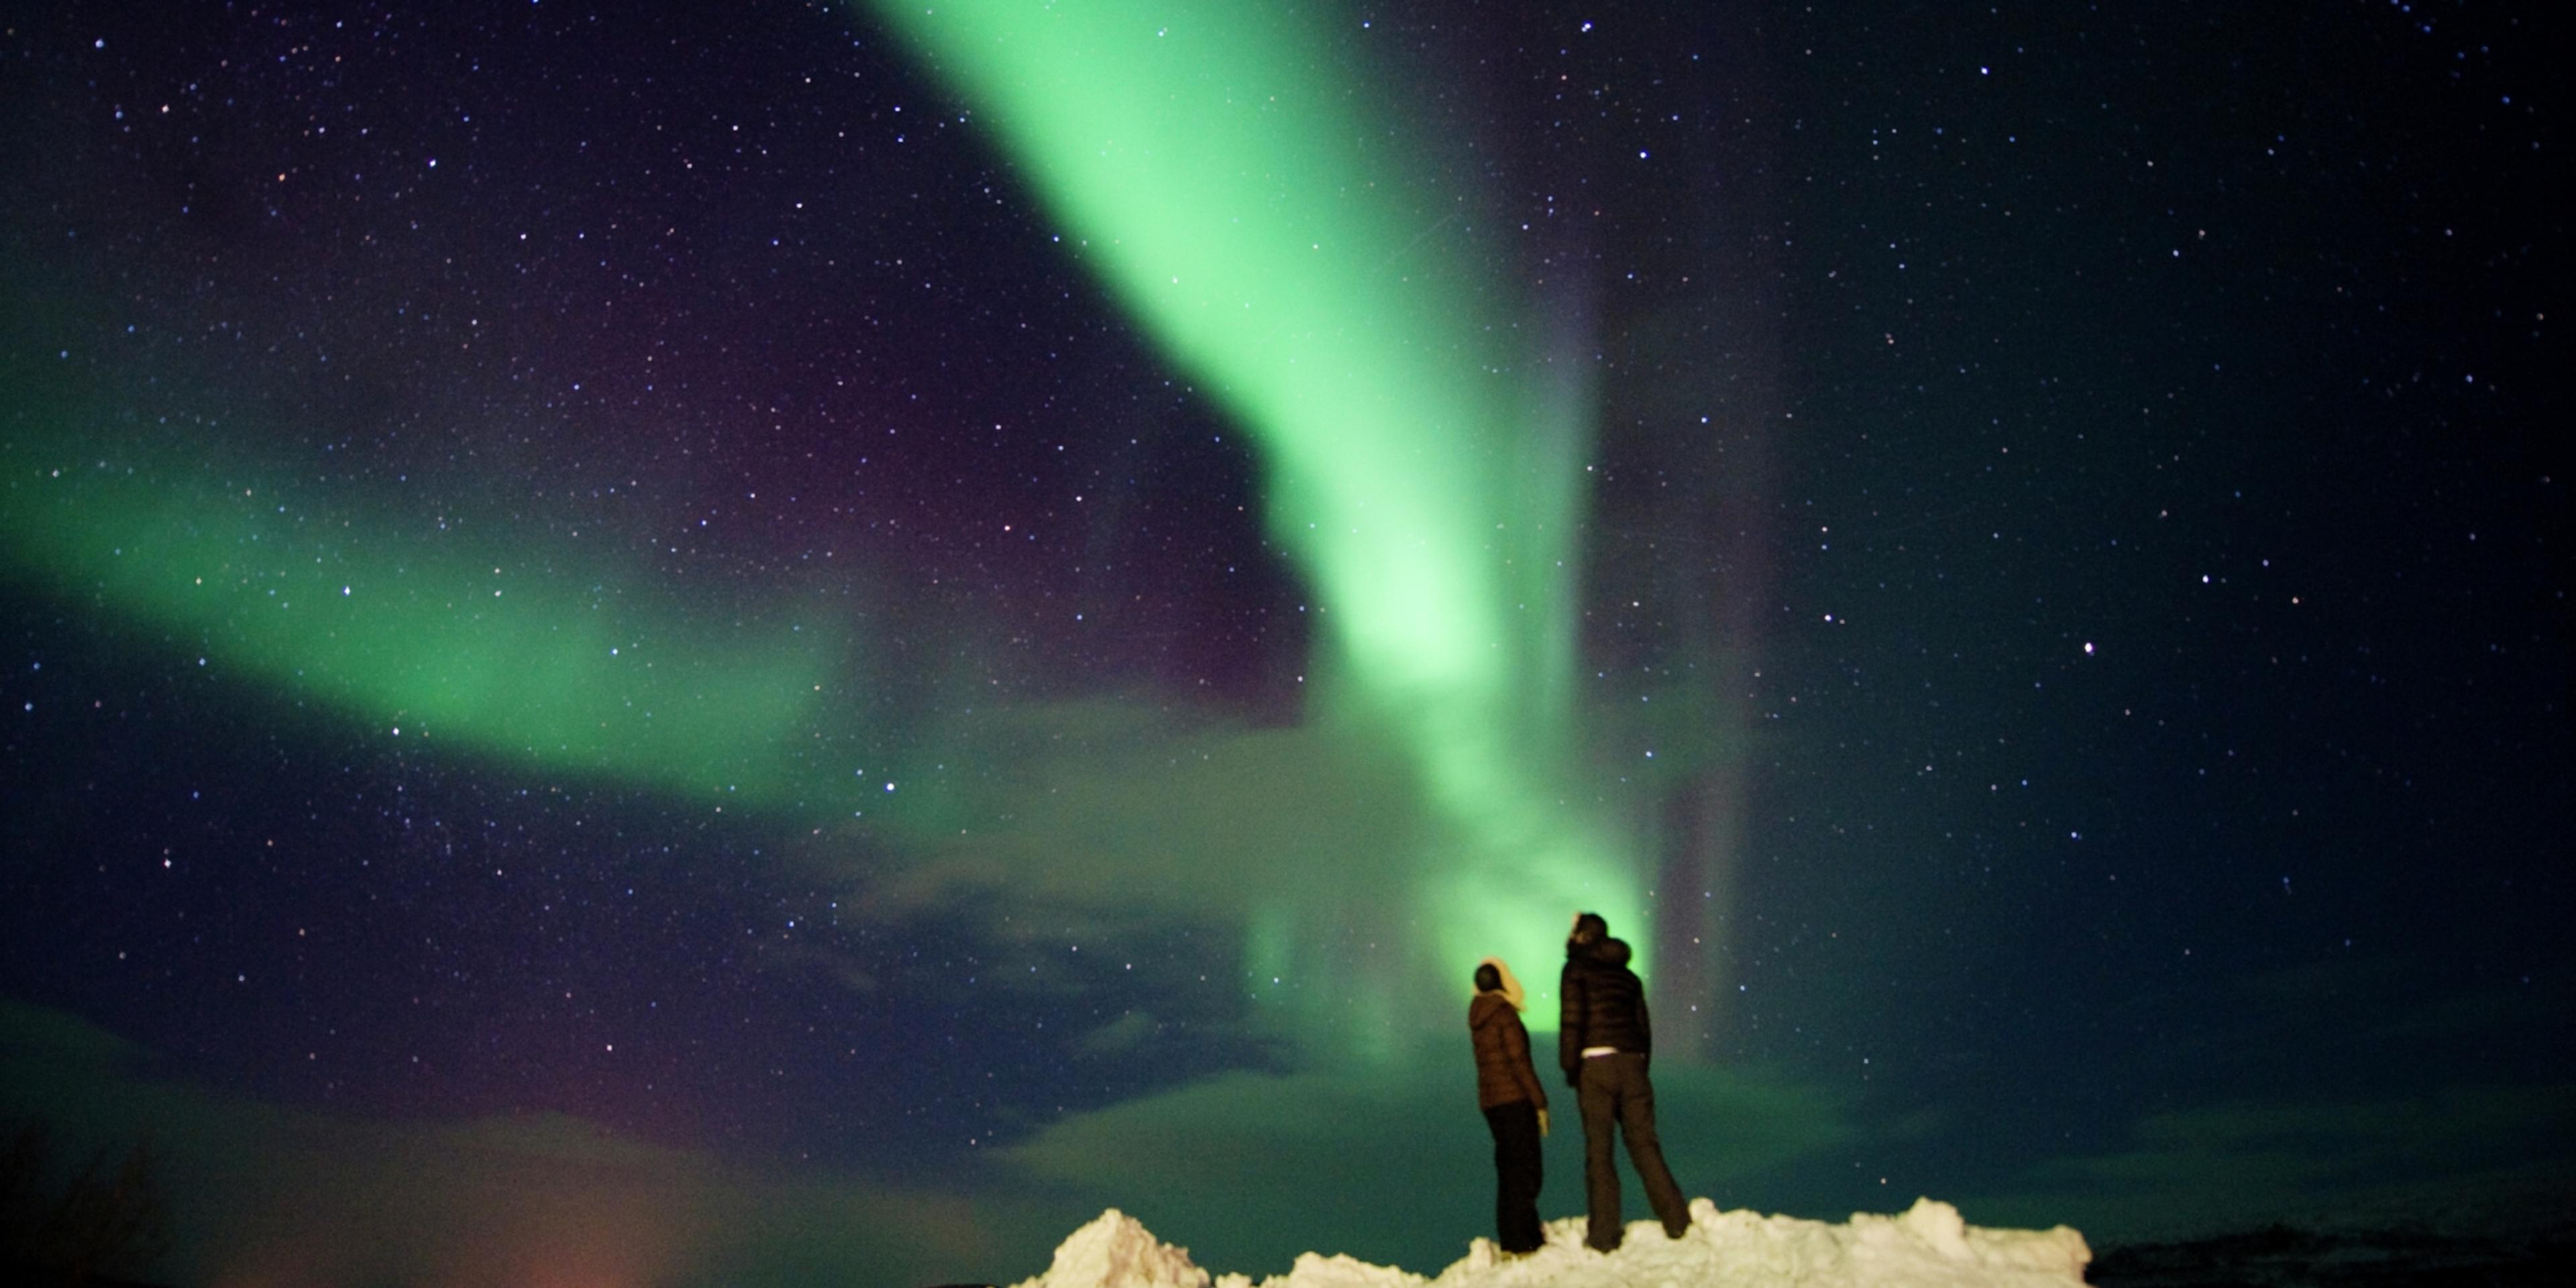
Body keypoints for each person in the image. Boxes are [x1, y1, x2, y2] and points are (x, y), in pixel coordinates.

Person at [1558, 912, 1690, 1252]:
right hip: (1632, 1065)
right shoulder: (1629, 978)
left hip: (1595, 1066)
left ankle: (1604, 1237)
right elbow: (1643, 1030)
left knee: (1600, 1154)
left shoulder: (1575, 971)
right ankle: (1677, 1222)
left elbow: (1573, 1021)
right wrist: (1639, 1067)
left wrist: (1570, 1067)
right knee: (1645, 1144)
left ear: (1584, 936)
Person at [1469, 955, 1550, 1256]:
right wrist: (1540, 1104)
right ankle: (1522, 1241)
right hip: (1515, 1101)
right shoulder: (1503, 1015)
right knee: (1526, 1171)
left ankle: (1516, 1237)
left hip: (1492, 1104)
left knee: (1509, 1171)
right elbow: (1520, 1064)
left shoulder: (1479, 1015)